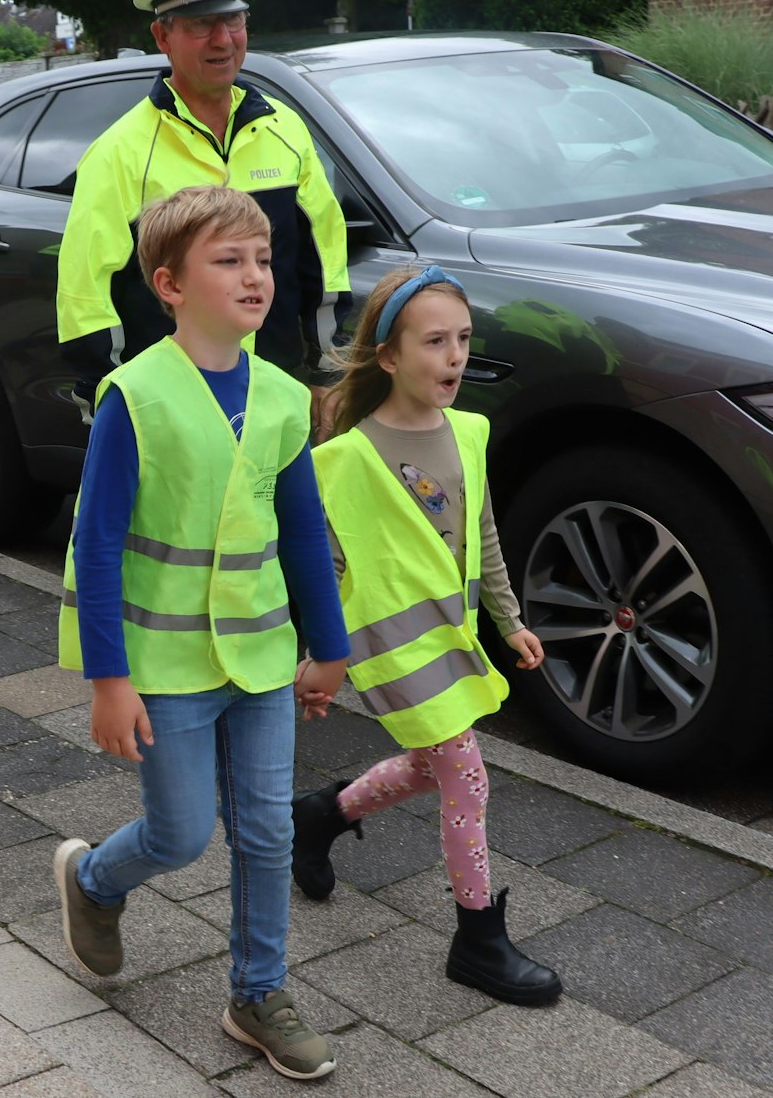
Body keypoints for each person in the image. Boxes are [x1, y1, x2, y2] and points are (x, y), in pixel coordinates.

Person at [52, 186, 351, 1081]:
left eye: (262, 259)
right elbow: (96, 544)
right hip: (167, 661)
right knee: (180, 834)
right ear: (169, 283)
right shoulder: (134, 397)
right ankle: (94, 881)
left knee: (264, 831)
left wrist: (327, 644)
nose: (255, 275)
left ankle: (258, 992)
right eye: (230, 260)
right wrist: (109, 677)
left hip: (259, 657)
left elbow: (301, 526)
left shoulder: (283, 397)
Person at [289, 265, 563, 1007]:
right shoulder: (342, 459)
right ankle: (478, 937)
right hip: (389, 645)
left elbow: (483, 533)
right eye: (435, 341)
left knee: (431, 763)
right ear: (387, 355)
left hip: (452, 637)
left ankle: (321, 814)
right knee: (466, 774)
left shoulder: (467, 433)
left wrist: (509, 620)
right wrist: (320, 654)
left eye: (463, 340)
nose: (454, 357)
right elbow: (323, 561)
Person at [56, 0, 350, 429]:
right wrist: (110, 404)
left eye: (233, 20)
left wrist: (326, 373)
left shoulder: (287, 131)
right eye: (201, 24)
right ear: (162, 36)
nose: (222, 40)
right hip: (170, 412)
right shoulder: (119, 152)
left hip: (277, 398)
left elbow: (324, 264)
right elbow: (85, 296)